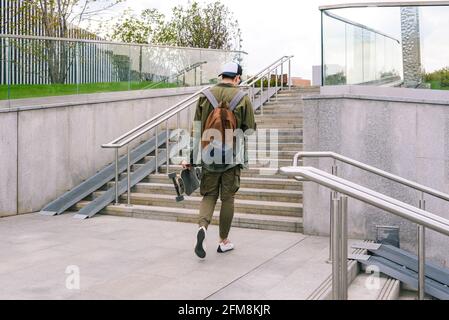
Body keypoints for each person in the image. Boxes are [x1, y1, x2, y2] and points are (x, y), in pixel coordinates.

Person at [181, 62, 256, 259]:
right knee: (228, 198)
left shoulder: (205, 96)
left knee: (209, 196)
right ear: (237, 78)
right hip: (232, 157)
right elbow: (249, 129)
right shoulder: (242, 98)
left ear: (222, 75)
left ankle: (203, 228)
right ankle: (223, 241)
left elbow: (196, 129)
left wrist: (189, 157)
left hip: (208, 155)